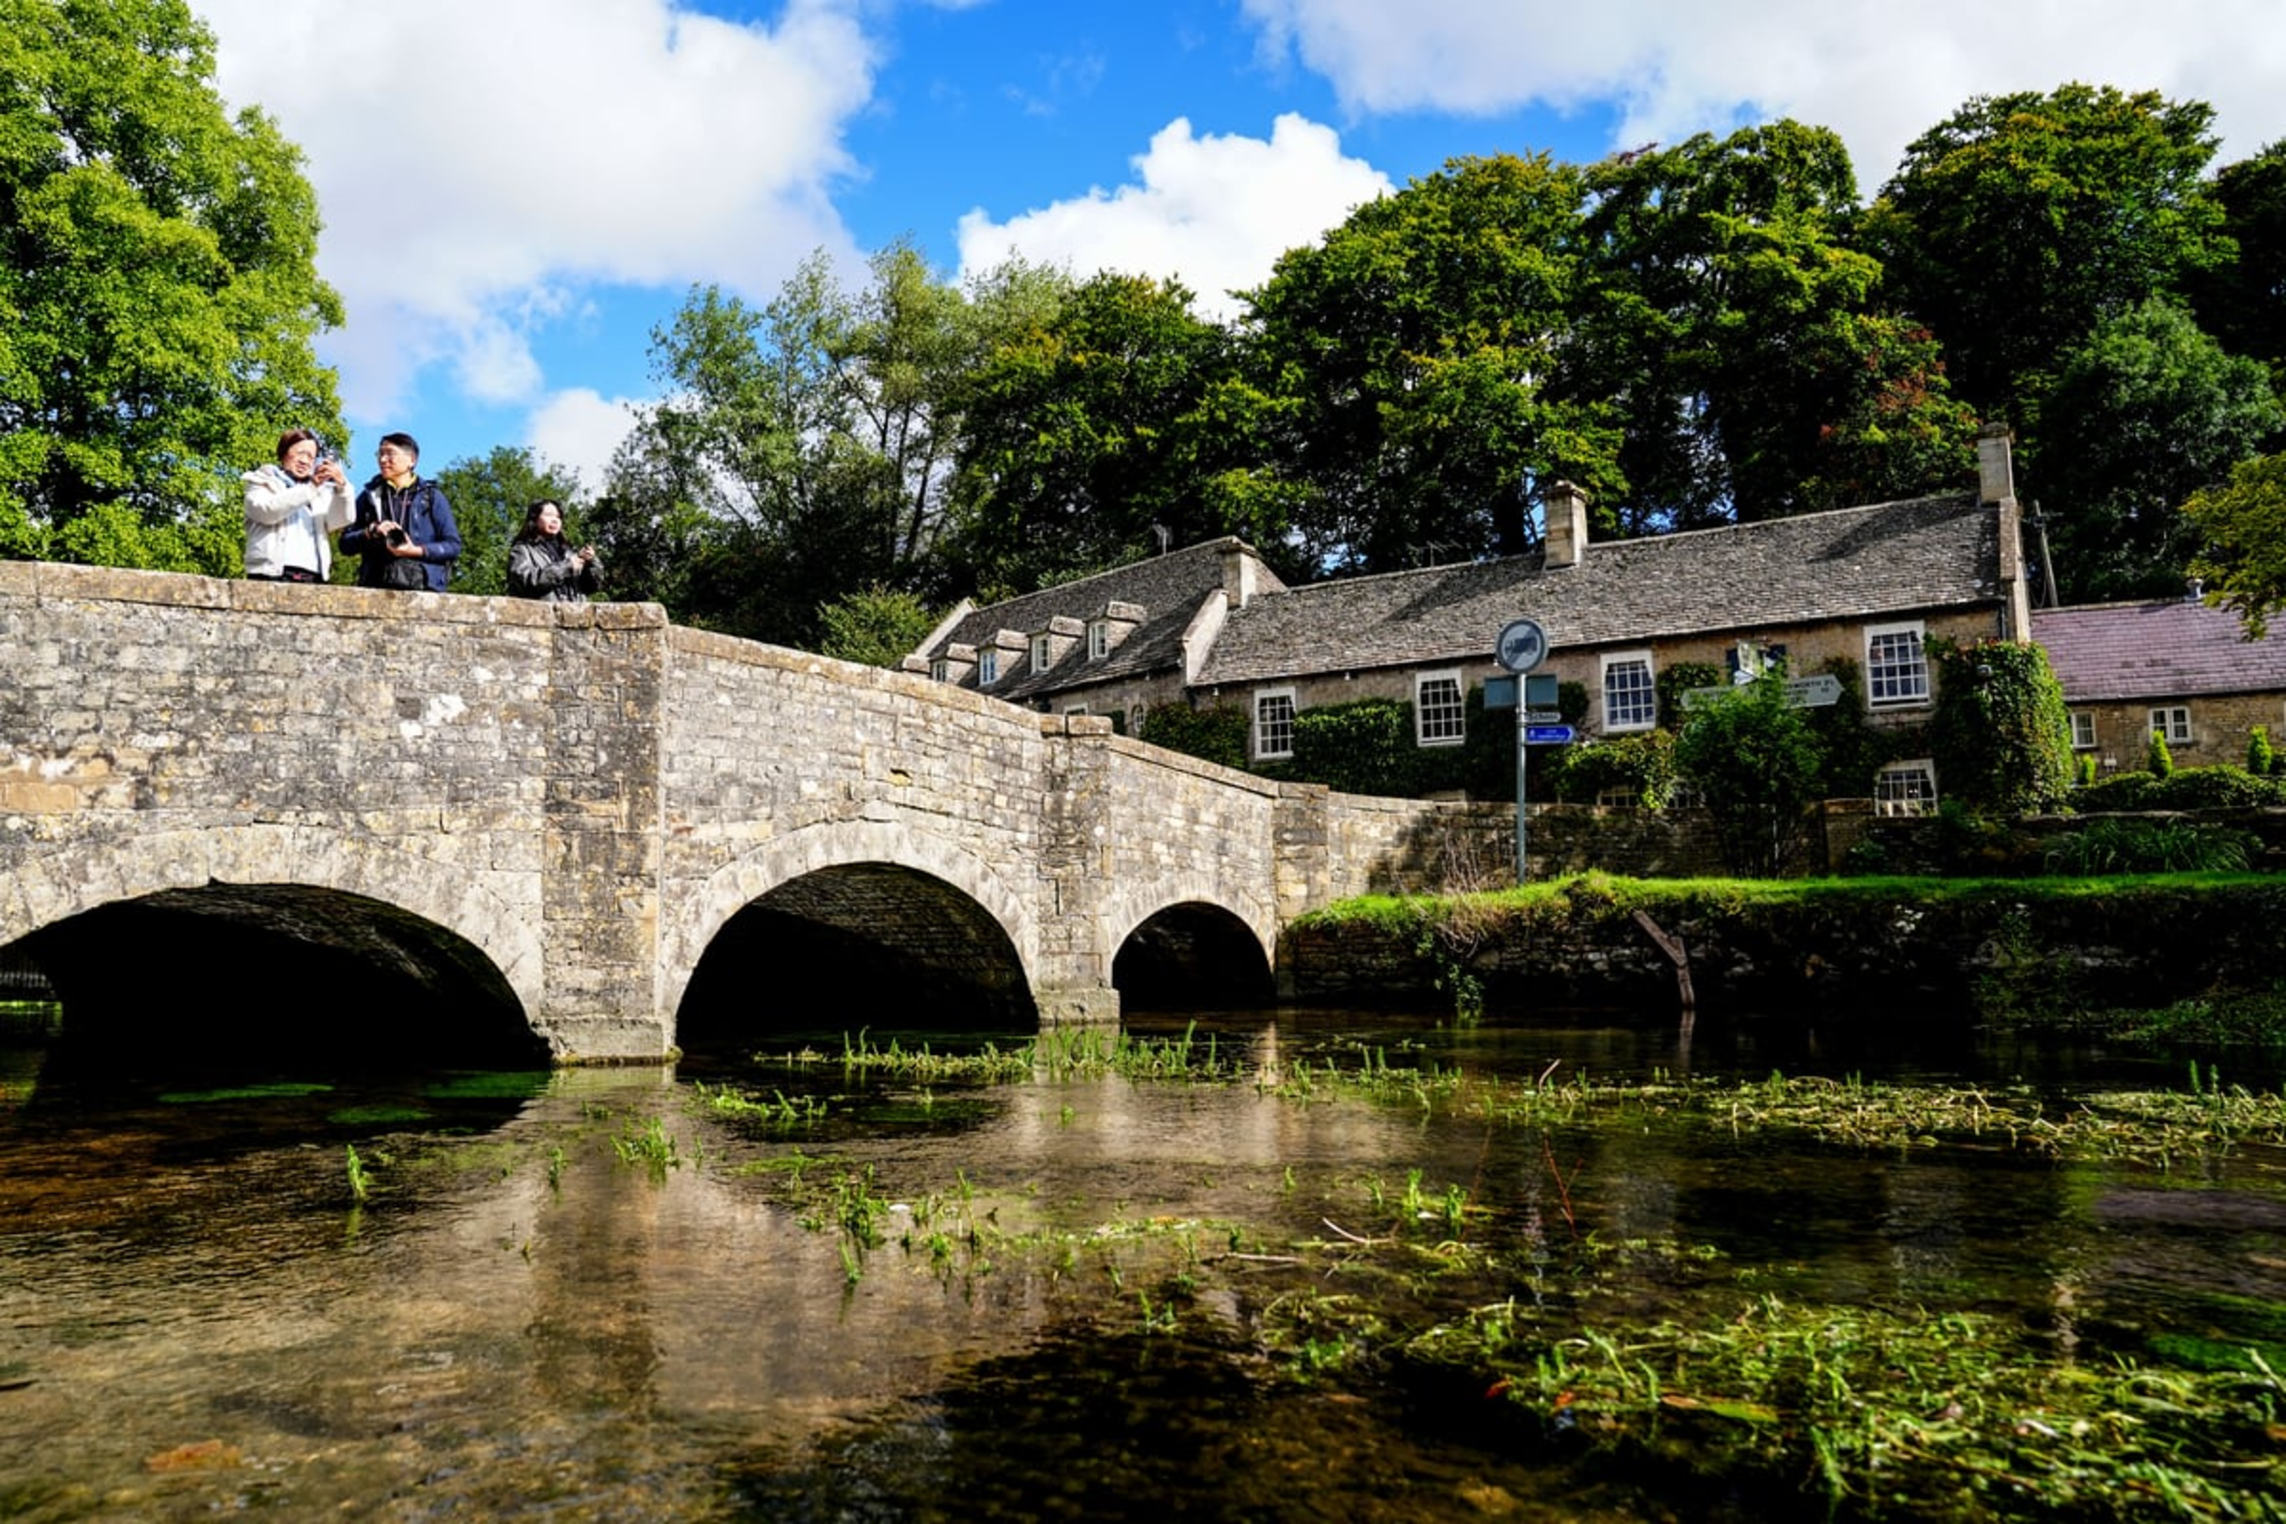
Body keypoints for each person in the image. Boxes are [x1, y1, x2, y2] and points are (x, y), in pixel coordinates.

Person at [342, 432, 460, 590]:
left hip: (423, 587)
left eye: (390, 454)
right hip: (376, 586)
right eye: (380, 454)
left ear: (412, 460)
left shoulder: (431, 497)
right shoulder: (370, 495)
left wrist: (415, 551)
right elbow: (345, 544)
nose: (383, 460)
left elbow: (453, 546)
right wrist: (371, 531)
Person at [242, 429, 353, 582]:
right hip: (270, 573)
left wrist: (343, 487)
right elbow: (267, 511)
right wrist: (310, 489)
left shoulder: (319, 491)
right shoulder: (262, 481)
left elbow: (341, 520)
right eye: (300, 453)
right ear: (284, 453)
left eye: (311, 457)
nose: (305, 461)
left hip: (312, 575)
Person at [506, 500, 602, 603]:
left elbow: (592, 587)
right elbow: (524, 583)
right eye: (548, 515)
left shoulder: (569, 552)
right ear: (534, 519)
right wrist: (566, 567)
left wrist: (591, 563)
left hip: (574, 612)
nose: (555, 520)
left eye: (558, 517)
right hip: (541, 612)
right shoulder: (522, 550)